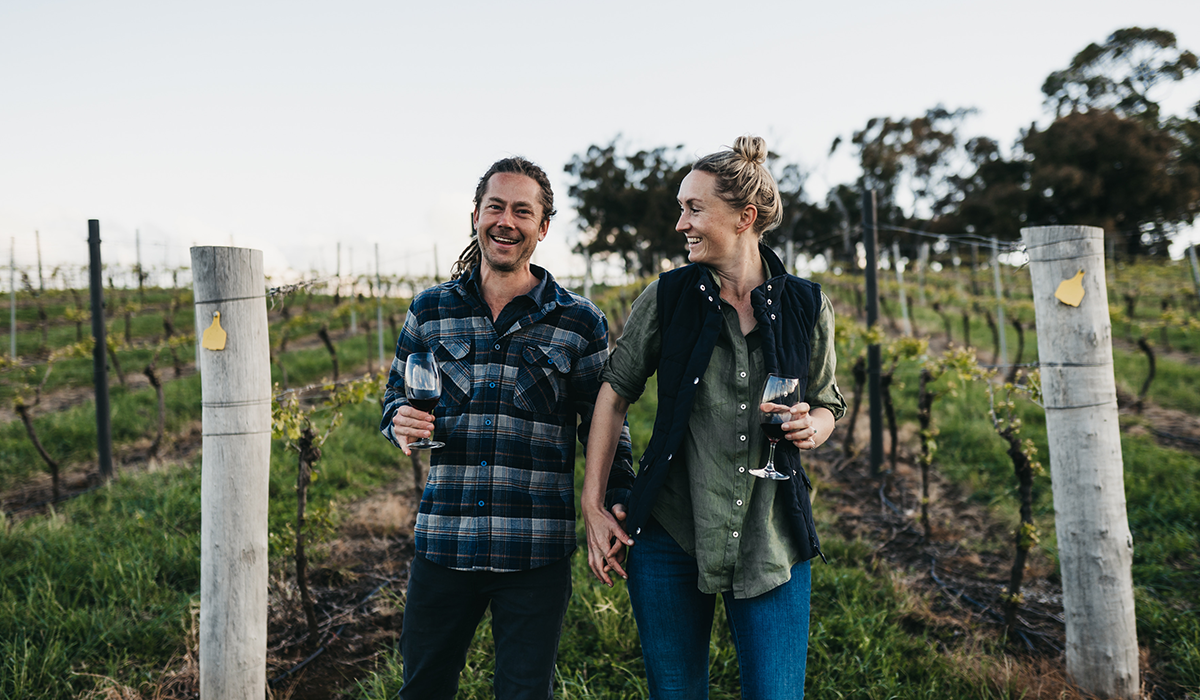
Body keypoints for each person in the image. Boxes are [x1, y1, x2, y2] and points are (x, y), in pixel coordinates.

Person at [581, 136, 845, 699]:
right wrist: (593, 503)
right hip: (671, 531)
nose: (681, 223)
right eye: (683, 208)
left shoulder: (807, 304)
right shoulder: (667, 297)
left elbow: (828, 401)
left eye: (694, 208)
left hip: (771, 539)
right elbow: (614, 391)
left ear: (745, 217)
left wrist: (812, 426)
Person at [381, 156, 633, 700]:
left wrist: (615, 500)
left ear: (542, 228)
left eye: (523, 211)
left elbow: (605, 424)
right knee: (422, 689)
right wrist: (396, 421)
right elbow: (394, 396)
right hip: (444, 542)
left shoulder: (578, 321)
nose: (506, 220)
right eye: (495, 206)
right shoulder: (430, 311)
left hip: (534, 552)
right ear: (475, 215)